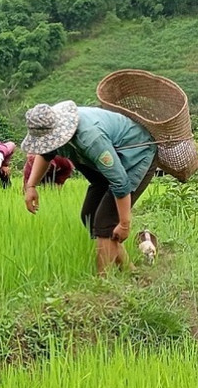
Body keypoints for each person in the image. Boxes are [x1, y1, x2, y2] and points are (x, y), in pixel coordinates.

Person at [21, 100, 157, 276]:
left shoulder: (90, 138)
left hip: (135, 158)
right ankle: (132, 272)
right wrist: (31, 186)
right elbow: (46, 154)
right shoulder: (50, 128)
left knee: (104, 222)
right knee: (89, 216)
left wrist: (124, 224)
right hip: (104, 169)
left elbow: (120, 183)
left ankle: (104, 284)